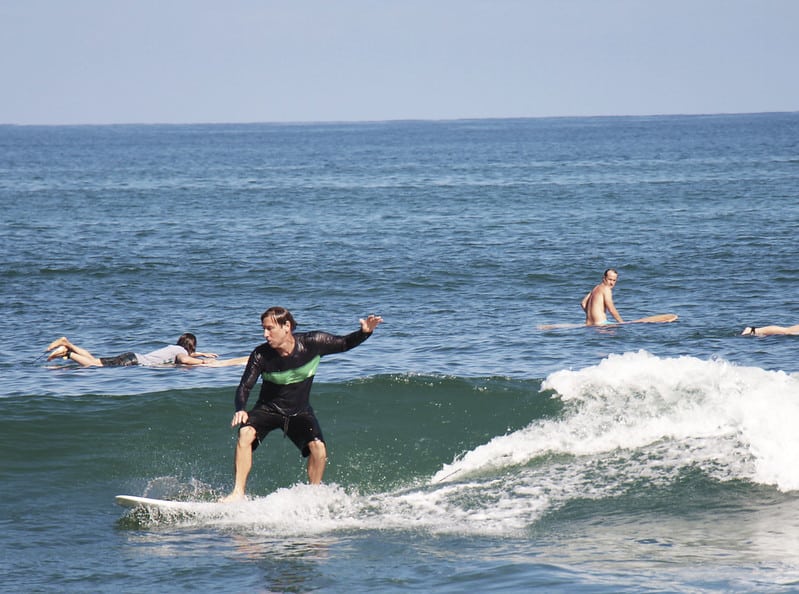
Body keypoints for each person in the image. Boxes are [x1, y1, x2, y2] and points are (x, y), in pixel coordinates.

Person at [220, 307, 383, 502]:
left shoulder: (313, 343)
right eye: (263, 329)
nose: (265, 334)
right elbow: (244, 386)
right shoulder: (261, 355)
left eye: (270, 328)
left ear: (286, 326)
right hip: (268, 409)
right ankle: (238, 493)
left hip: (299, 411)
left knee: (318, 448)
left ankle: (313, 495)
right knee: (245, 433)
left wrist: (365, 333)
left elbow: (344, 343)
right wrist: (241, 409)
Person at [45, 334, 247, 367]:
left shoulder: (173, 347)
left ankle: (68, 346)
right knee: (92, 366)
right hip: (135, 362)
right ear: (190, 346)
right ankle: (69, 352)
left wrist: (201, 353)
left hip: (132, 355)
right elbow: (184, 360)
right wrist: (204, 362)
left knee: (96, 360)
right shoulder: (180, 352)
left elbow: (184, 355)